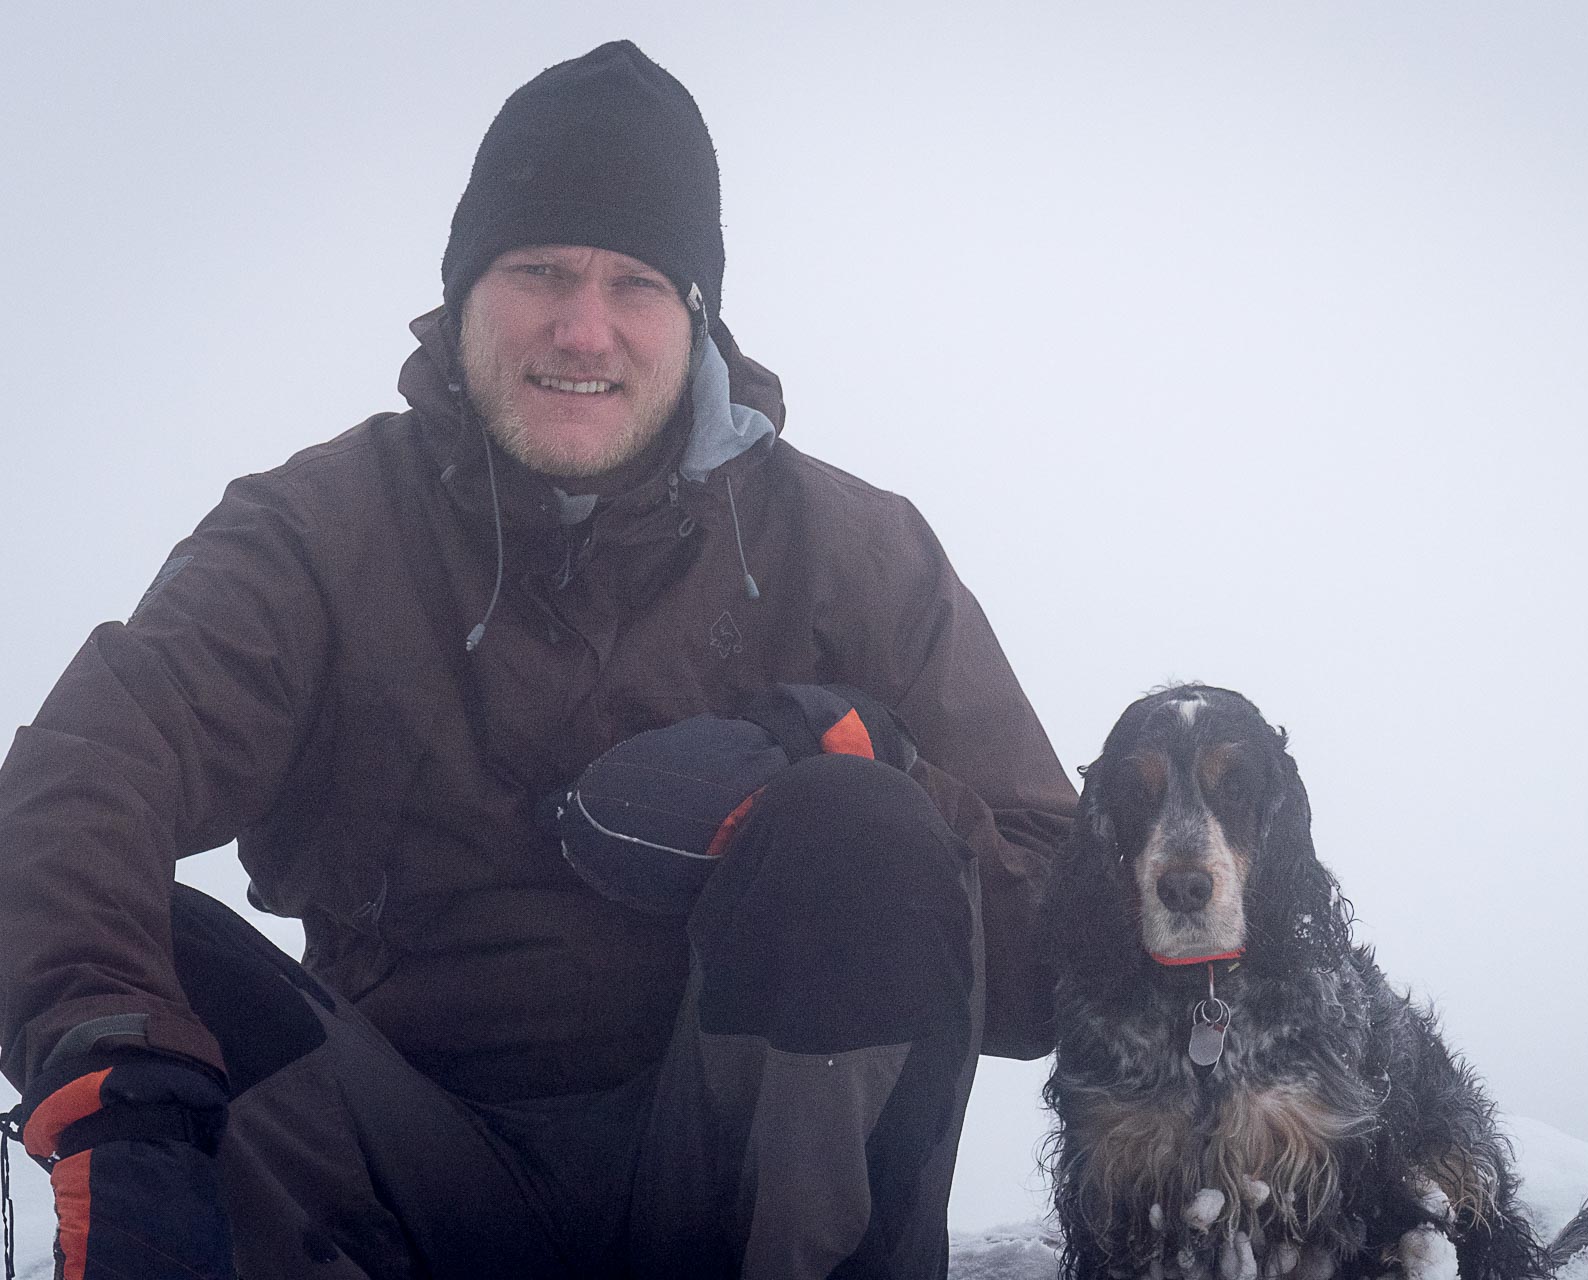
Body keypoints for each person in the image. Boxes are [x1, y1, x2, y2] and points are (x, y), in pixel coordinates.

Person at [0, 41, 1076, 1280]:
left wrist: (851, 753)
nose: (584, 326)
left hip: (739, 1187)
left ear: (697, 316)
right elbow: (86, 774)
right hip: (407, 1170)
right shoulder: (319, 529)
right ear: (463, 293)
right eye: (541, 271)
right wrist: (112, 1087)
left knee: (862, 825)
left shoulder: (854, 550)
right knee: (148, 978)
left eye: (635, 282)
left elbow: (1053, 950)